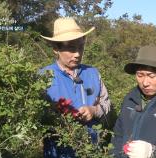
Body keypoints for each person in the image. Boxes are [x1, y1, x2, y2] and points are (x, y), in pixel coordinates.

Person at [40, 17, 111, 157]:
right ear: (56, 49)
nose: (78, 54)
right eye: (71, 48)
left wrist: (94, 110)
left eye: (80, 47)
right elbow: (35, 115)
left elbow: (107, 103)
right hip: (57, 152)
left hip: (91, 151)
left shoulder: (93, 73)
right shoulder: (43, 76)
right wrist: (54, 113)